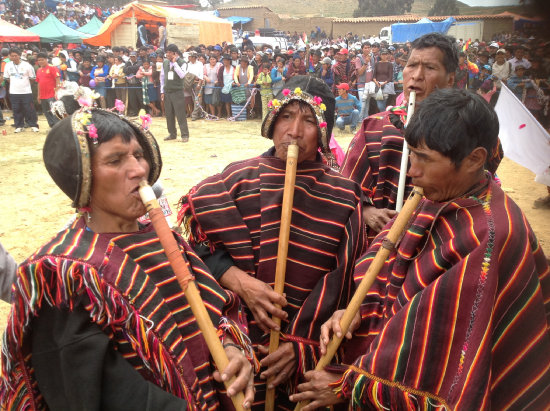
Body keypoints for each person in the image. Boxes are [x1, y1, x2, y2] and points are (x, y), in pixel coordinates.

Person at [290, 88, 550, 410]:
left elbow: (439, 345)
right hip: (383, 350)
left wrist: (349, 386)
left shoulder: (489, 235)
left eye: (424, 158)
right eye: (410, 153)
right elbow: (387, 265)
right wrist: (358, 307)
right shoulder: (438, 194)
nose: (411, 170)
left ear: (475, 159)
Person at [0, 108, 256, 409]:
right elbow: (93, 391)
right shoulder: (63, 273)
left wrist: (231, 347)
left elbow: (217, 308)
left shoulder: (167, 239)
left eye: (138, 155)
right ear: (82, 176)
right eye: (115, 160)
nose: (138, 170)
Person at [178, 75, 365, 409]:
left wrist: (302, 347)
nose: (294, 131)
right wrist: (239, 281)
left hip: (302, 366)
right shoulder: (235, 179)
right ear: (272, 121)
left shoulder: (345, 196)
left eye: (309, 120)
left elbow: (348, 288)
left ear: (323, 131)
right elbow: (194, 249)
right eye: (285, 116)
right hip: (237, 351)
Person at [340, 33, 461, 243]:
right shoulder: (374, 126)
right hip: (378, 240)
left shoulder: (463, 130)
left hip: (439, 240)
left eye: (430, 68)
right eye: (412, 65)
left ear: (450, 79)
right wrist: (367, 212)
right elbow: (346, 184)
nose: (417, 75)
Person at [3, 47, 39, 133]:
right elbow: (7, 78)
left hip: (26, 92)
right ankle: (19, 125)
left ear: (19, 55)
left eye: (16, 56)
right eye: (12, 56)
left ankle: (33, 125)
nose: (14, 57)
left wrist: (24, 85)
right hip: (14, 92)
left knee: (29, 109)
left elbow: (32, 78)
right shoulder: (8, 65)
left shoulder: (27, 65)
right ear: (9, 56)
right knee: (16, 109)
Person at [161, 44, 190, 142]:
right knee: (169, 114)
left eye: (169, 52)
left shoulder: (182, 62)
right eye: (167, 52)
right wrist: (162, 91)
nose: (167, 54)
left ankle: (184, 135)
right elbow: (162, 77)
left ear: (175, 53)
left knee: (180, 114)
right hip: (167, 91)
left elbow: (182, 75)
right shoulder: (165, 63)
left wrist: (175, 64)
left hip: (177, 91)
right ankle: (172, 134)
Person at [35, 52, 60, 128]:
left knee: (54, 111)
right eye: (39, 60)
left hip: (52, 94)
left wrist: (57, 91)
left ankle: (57, 126)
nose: (40, 62)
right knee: (46, 112)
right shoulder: (39, 70)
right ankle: (51, 126)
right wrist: (38, 95)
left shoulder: (52, 68)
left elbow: (57, 79)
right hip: (43, 95)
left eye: (42, 60)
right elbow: (39, 83)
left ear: (46, 59)